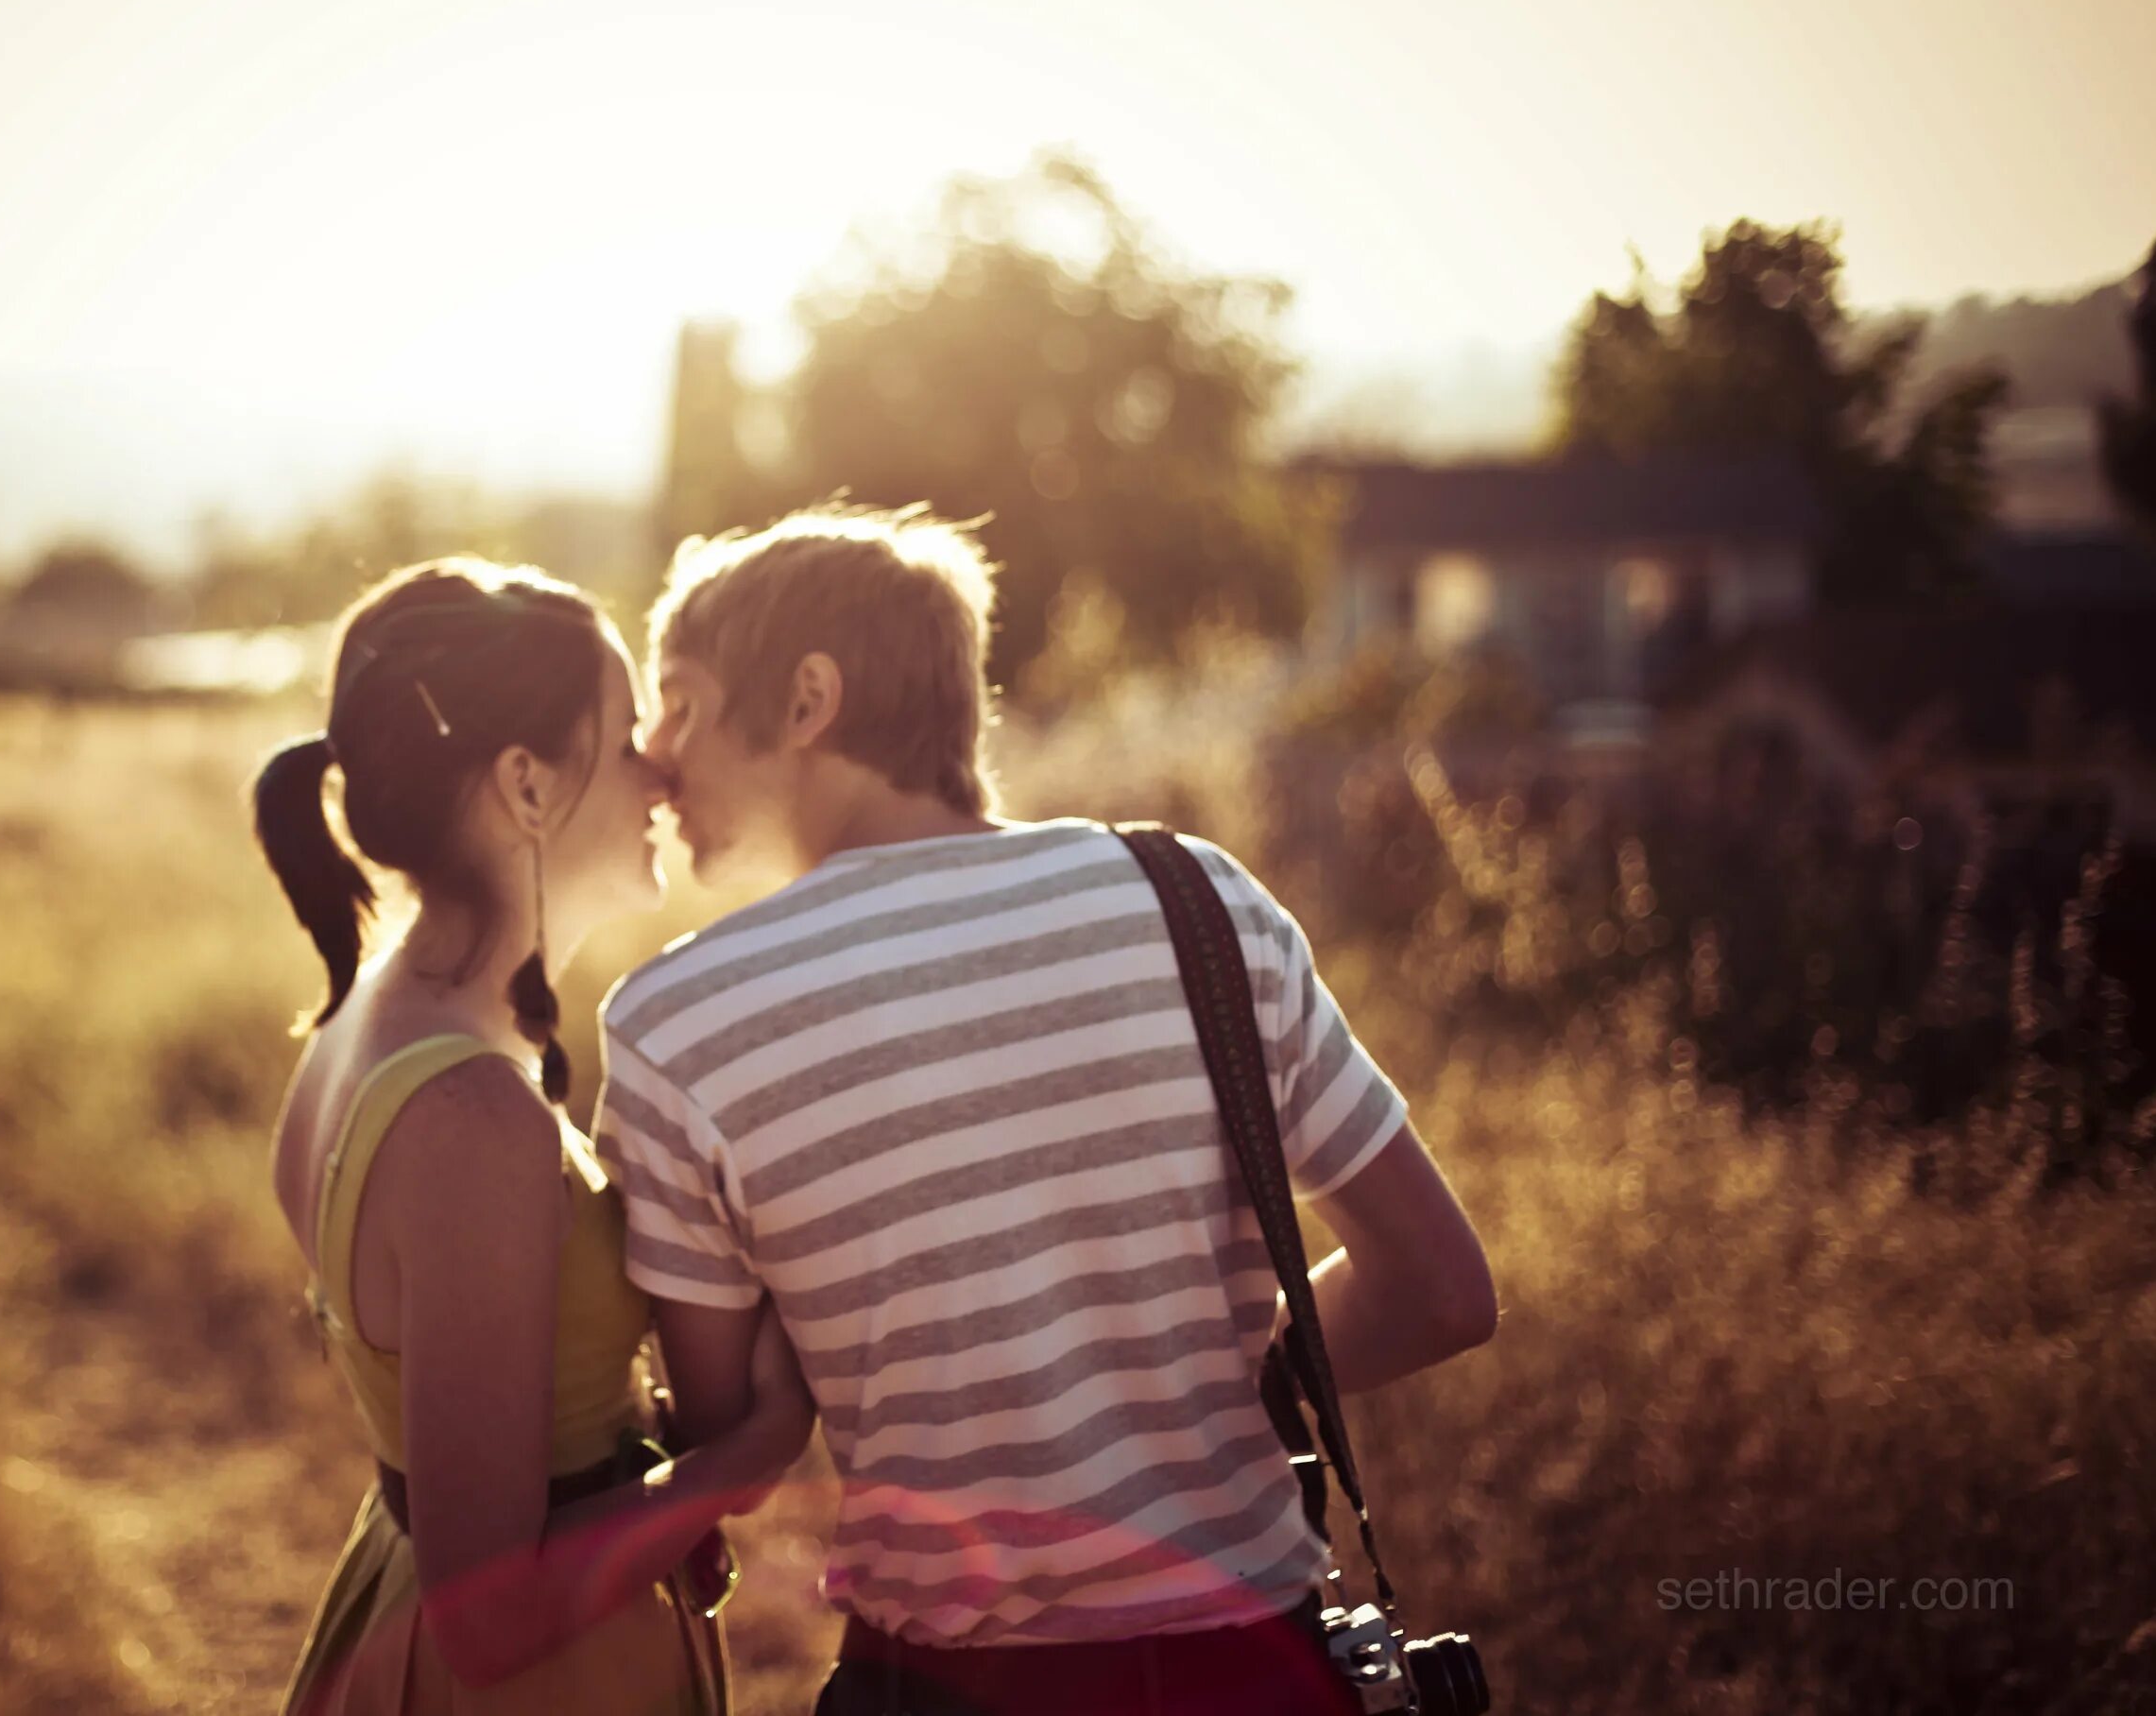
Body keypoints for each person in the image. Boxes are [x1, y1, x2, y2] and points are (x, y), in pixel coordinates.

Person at [594, 508, 1499, 1716]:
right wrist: (1220, 1374)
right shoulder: (1200, 900)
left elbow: (725, 1427)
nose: (653, 752)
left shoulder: (678, 1020)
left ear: (809, 698)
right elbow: (1441, 1288)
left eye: (681, 701)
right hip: (1260, 1674)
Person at [253, 558, 815, 1716]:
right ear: (524, 782)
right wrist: (739, 1464)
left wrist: (637, 1498)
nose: (659, 768)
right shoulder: (473, 1119)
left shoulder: (361, 1019)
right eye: (621, 740)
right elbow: (491, 1612)